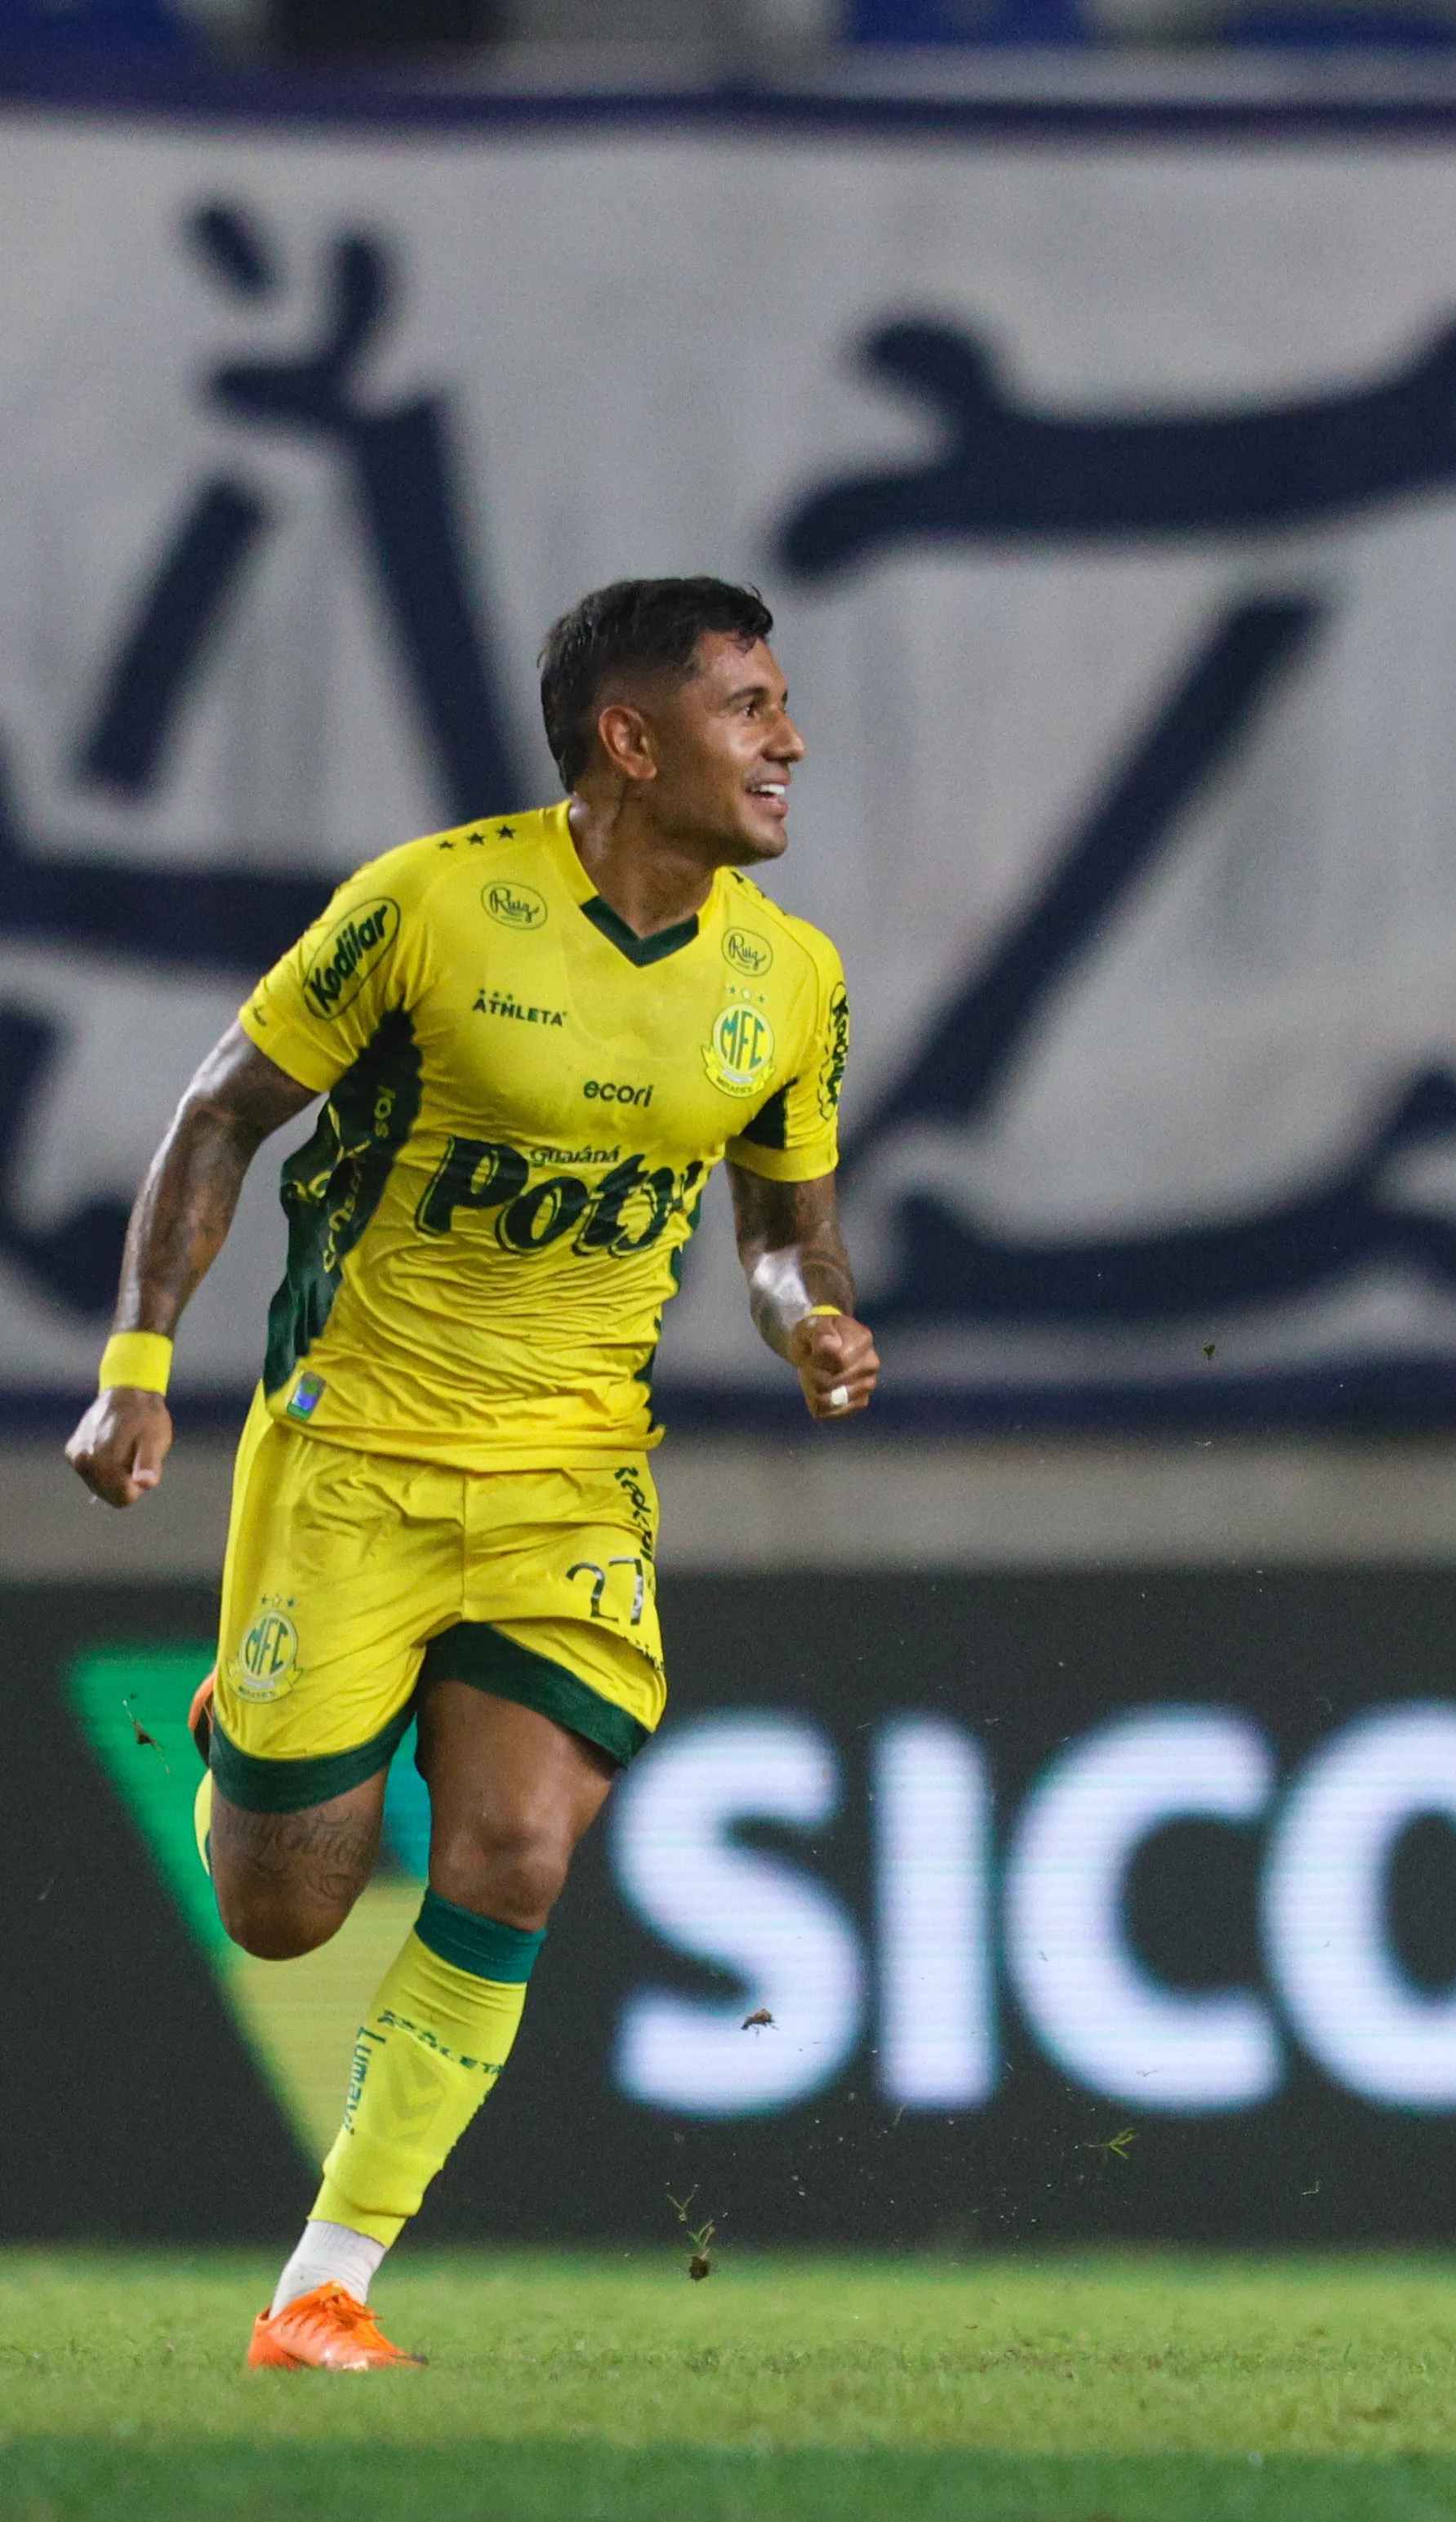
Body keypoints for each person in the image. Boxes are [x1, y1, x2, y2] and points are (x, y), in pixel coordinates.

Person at [60, 577, 874, 2369]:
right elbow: (221, 1112)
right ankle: (250, 1742)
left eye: (786, 703)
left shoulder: (788, 977)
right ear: (629, 738)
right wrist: (137, 1369)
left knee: (515, 1849)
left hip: (573, 1479)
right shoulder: (432, 906)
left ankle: (323, 2287)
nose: (791, 740)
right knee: (286, 1913)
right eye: (750, 706)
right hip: (353, 1452)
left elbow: (779, 1228)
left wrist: (808, 1314)